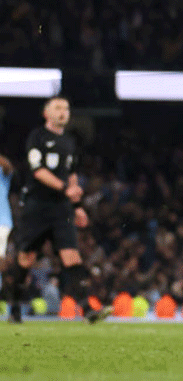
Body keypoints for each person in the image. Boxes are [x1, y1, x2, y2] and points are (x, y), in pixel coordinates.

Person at [5, 97, 109, 323]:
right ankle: (14, 307)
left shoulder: (70, 142)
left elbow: (71, 175)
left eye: (66, 108)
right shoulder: (37, 137)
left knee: (72, 256)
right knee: (26, 258)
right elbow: (38, 171)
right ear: (46, 113)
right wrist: (65, 189)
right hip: (37, 207)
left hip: (61, 209)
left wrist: (78, 206)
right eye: (58, 108)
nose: (63, 112)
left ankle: (87, 310)